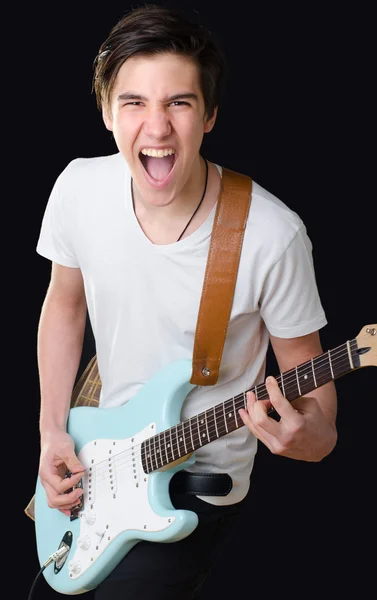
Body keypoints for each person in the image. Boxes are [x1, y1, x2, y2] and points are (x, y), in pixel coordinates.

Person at [35, 4, 338, 598]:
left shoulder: (271, 235)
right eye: (134, 102)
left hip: (196, 484)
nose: (156, 127)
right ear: (105, 111)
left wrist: (315, 438)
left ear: (210, 116)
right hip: (97, 459)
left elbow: (313, 390)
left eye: (178, 102)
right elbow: (64, 308)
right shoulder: (77, 188)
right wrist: (52, 434)